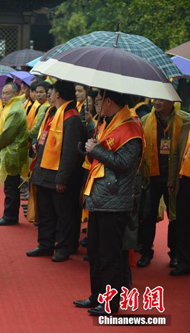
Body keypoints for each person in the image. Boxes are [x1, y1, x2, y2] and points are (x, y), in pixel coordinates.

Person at [74, 89, 143, 316]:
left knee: (110, 254)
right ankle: (96, 296)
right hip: (98, 196)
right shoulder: (107, 123)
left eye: (98, 100)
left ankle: (111, 303)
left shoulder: (131, 128)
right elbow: (100, 156)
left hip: (115, 200)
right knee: (94, 251)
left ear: (109, 101)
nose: (95, 104)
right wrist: (89, 149)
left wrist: (97, 150)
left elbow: (124, 163)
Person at [27, 80, 86, 262]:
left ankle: (63, 247)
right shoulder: (53, 113)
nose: (49, 94)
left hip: (59, 176)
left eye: (51, 91)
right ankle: (45, 244)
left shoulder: (72, 118)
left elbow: (70, 153)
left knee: (64, 214)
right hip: (45, 172)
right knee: (46, 213)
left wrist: (62, 178)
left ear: (58, 94)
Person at [138, 99, 190, 268]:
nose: (157, 102)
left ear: (172, 100)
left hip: (174, 178)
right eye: (155, 99)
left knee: (175, 217)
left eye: (161, 99)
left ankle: (174, 254)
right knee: (148, 215)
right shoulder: (145, 120)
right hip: (151, 176)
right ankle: (146, 251)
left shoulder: (183, 120)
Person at [0, 83, 29, 226]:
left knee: (11, 187)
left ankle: (10, 216)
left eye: (8, 93)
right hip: (11, 151)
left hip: (12, 152)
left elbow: (7, 134)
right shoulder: (12, 107)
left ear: (15, 94)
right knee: (10, 186)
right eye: (3, 93)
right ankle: (9, 215)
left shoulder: (14, 110)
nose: (4, 96)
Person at [168, 120, 190, 276]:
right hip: (184, 181)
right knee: (183, 222)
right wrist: (171, 181)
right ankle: (184, 261)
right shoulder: (186, 126)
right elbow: (176, 154)